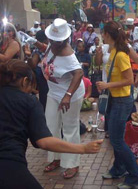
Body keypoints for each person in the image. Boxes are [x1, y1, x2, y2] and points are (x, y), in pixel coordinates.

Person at [0, 59, 102, 189]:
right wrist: (83, 148)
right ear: (24, 81)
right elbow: (44, 142)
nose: (31, 90)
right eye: (31, 85)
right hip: (9, 164)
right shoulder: (28, 102)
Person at [96, 21, 138, 189]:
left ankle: (135, 176)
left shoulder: (121, 54)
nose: (102, 36)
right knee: (116, 137)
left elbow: (129, 80)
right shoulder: (113, 50)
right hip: (114, 99)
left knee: (116, 140)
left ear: (108, 35)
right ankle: (119, 168)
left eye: (103, 33)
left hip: (122, 100)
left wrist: (107, 85)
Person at [41, 18, 86, 179]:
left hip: (70, 95)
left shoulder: (68, 54)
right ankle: (56, 158)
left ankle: (72, 164)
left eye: (56, 41)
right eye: (51, 40)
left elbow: (79, 73)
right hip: (53, 93)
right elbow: (48, 56)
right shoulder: (52, 47)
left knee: (70, 128)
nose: (53, 42)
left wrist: (67, 95)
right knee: (51, 126)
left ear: (64, 40)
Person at [26, 30, 49, 110]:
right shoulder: (38, 50)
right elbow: (32, 65)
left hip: (50, 78)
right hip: (44, 79)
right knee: (44, 98)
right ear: (45, 39)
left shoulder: (51, 48)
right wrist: (28, 56)